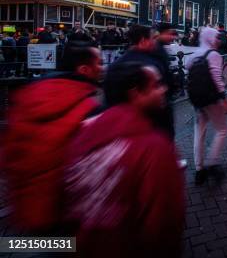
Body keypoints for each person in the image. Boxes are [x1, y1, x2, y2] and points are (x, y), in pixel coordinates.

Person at [62, 61, 184, 257]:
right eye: (156, 85)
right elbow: (163, 225)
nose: (164, 89)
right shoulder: (153, 149)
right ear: (136, 92)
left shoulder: (83, 133)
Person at [1, 40, 102, 234]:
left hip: (28, 206)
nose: (102, 67)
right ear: (84, 70)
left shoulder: (27, 96)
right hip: (66, 210)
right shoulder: (88, 109)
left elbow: (11, 150)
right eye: (98, 62)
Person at [189, 26, 227, 184]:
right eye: (216, 37)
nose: (219, 41)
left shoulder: (196, 53)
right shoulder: (214, 54)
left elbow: (187, 68)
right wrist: (224, 99)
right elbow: (217, 79)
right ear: (210, 38)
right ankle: (212, 162)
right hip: (211, 99)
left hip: (197, 99)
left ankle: (199, 170)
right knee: (222, 130)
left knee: (199, 132)